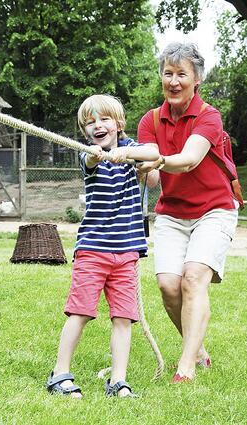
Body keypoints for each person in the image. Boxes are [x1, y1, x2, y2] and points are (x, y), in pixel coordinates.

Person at [137, 42, 239, 383]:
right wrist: (135, 163)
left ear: (197, 80)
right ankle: (197, 349)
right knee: (169, 286)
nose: (174, 81)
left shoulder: (209, 116)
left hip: (215, 209)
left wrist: (161, 160)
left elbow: (191, 158)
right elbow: (152, 175)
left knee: (193, 278)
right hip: (172, 213)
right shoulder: (150, 120)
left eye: (182, 74)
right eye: (168, 73)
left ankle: (186, 368)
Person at [46, 94, 159, 398]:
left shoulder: (132, 150)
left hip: (127, 253)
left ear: (119, 123)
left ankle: (118, 381)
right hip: (93, 250)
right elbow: (91, 160)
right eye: (89, 122)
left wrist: (129, 156)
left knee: (123, 318)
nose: (97, 126)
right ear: (84, 131)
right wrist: (101, 155)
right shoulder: (89, 155)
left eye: (104, 119)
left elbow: (154, 154)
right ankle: (59, 374)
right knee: (80, 312)